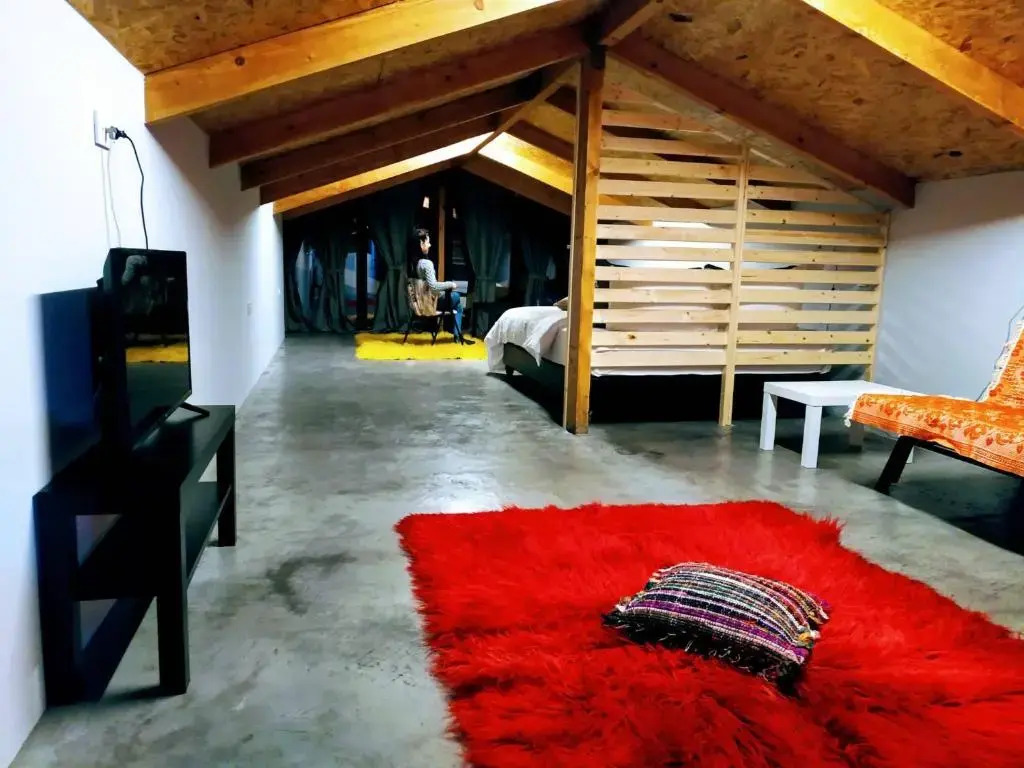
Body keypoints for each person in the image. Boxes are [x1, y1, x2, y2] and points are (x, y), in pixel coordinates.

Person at [414, 227, 473, 344]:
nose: (430, 245)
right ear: (421, 244)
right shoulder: (427, 264)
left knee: (456, 301)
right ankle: (457, 336)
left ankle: (457, 336)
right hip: (431, 302)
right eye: (427, 242)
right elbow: (434, 286)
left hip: (422, 300)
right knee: (457, 298)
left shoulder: (416, 262)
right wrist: (450, 284)